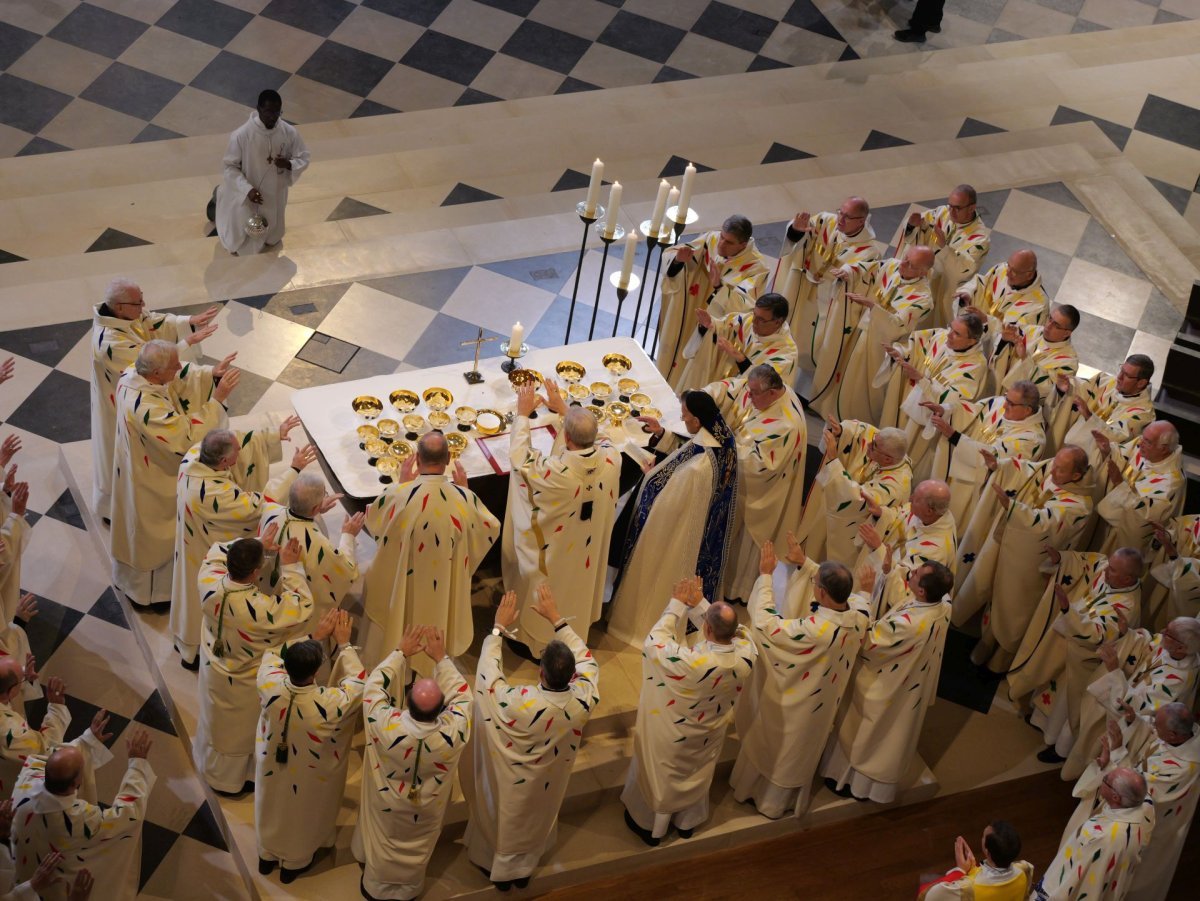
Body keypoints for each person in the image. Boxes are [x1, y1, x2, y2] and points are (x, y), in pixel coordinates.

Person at [466, 586, 598, 890]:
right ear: (571, 676)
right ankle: (523, 869)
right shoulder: (583, 700)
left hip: (509, 780)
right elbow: (589, 663)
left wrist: (498, 628)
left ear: (541, 673)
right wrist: (557, 620)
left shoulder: (515, 702)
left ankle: (495, 869)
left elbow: (488, 678)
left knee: (503, 814)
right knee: (535, 815)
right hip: (546, 780)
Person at [731, 541, 869, 819]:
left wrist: (766, 576)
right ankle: (783, 801)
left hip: (795, 701)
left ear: (821, 592)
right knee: (801, 750)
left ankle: (766, 801)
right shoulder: (858, 618)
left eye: (816, 582)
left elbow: (765, 625)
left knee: (780, 747)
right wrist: (806, 564)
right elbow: (861, 599)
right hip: (822, 702)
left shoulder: (815, 630)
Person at [623, 577, 756, 844]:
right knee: (697, 771)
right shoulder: (745, 655)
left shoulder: (691, 663)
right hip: (710, 730)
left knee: (665, 774)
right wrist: (701, 606)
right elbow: (738, 631)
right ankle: (686, 822)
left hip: (675, 732)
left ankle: (653, 828)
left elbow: (654, 644)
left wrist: (677, 604)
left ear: (705, 629)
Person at [172, 423, 312, 668]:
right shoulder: (215, 494)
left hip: (198, 542)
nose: (241, 451)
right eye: (237, 452)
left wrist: (270, 434)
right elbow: (259, 504)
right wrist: (294, 469)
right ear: (225, 462)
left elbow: (235, 439)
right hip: (208, 544)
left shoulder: (194, 456)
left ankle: (191, 645)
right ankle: (196, 651)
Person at [109, 340, 238, 608]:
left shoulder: (136, 373)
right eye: (173, 365)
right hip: (153, 477)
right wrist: (217, 400)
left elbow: (176, 379)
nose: (180, 368)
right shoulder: (144, 406)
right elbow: (184, 436)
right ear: (155, 372)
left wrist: (209, 375)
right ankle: (150, 595)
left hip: (141, 466)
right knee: (155, 536)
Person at [608, 391, 739, 646]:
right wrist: (661, 434)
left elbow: (666, 506)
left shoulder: (698, 468)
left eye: (686, 415)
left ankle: (640, 622)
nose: (682, 418)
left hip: (675, 535)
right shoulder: (721, 435)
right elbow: (687, 450)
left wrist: (649, 477)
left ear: (699, 420)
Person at [353, 624, 471, 901]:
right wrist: (441, 659)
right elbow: (465, 697)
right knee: (419, 840)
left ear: (406, 702)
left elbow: (372, 687)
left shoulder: (385, 723)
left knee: (385, 835)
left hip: (387, 804)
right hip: (427, 807)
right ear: (443, 707)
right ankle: (408, 888)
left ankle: (376, 885)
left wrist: (400, 653)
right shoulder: (453, 731)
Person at [820, 561, 953, 803]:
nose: (910, 573)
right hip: (909, 682)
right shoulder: (943, 604)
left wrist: (865, 594)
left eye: (916, 574)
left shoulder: (908, 625)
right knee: (892, 733)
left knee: (867, 732)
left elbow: (867, 641)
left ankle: (849, 780)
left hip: (886, 683)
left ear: (922, 591)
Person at [954, 446, 1094, 675]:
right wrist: (999, 465)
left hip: (1034, 564)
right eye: (1054, 464)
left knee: (1014, 609)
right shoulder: (1055, 469)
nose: (1051, 471)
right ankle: (985, 641)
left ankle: (1000, 659)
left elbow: (1047, 523)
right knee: (996, 593)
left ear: (1076, 475)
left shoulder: (1079, 506)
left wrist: (1013, 508)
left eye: (1059, 469)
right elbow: (1029, 469)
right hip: (1014, 547)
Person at [503, 383, 620, 657]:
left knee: (548, 585)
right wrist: (565, 411)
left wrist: (522, 415)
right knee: (575, 591)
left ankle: (537, 642)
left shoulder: (557, 474)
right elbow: (604, 438)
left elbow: (520, 461)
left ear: (566, 438)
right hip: (584, 554)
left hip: (556, 555)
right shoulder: (613, 460)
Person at [362, 432, 498, 666]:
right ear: (447, 460)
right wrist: (467, 495)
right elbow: (490, 527)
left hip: (406, 581)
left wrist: (402, 486)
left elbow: (374, 520)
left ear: (417, 459)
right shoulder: (463, 500)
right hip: (441, 585)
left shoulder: (397, 494)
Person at [194, 530, 314, 793]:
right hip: (244, 681)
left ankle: (214, 768)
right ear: (256, 572)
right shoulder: (261, 609)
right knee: (240, 732)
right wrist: (292, 566)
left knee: (217, 723)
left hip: (214, 669)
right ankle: (235, 780)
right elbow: (302, 606)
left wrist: (255, 544)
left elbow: (216, 549)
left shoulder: (208, 580)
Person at [90, 278, 218, 521]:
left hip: (133, 400)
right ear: (119, 307)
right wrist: (186, 343)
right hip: (117, 406)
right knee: (123, 460)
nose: (143, 306)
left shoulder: (126, 314)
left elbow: (150, 321)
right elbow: (149, 364)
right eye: (138, 303)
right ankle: (113, 508)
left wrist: (186, 322)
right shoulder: (109, 342)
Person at [255, 610, 364, 884]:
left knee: (272, 802)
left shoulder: (269, 682)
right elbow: (359, 683)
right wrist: (344, 644)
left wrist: (313, 637)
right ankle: (295, 861)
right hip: (307, 774)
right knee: (300, 810)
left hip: (270, 764)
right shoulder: (328, 703)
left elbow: (272, 655)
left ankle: (266, 855)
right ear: (317, 672)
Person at [1010, 547, 1144, 763]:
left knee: (1069, 702)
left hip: (1088, 661)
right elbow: (1090, 562)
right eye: (1110, 565)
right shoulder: (1109, 573)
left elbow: (1097, 634)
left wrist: (1067, 611)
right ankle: (1041, 722)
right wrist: (1061, 558)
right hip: (1072, 642)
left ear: (1128, 578)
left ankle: (1060, 748)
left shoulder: (1126, 606)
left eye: (1113, 569)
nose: (1106, 571)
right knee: (1055, 687)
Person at [11, 729, 155, 901]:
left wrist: (88, 739)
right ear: (76, 783)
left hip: (21, 870)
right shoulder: (78, 819)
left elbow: (53, 755)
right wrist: (137, 765)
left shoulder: (28, 776)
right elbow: (127, 815)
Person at [707, 364, 808, 603]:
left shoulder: (786, 426)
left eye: (753, 394)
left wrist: (725, 446)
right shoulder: (778, 395)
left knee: (742, 549)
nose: (748, 397)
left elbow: (761, 466)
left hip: (762, 495)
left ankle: (734, 591)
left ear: (772, 392)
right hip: (752, 486)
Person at [1062, 616, 1200, 781]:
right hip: (1120, 693)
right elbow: (1148, 643)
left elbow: (1140, 707)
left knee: (1097, 748)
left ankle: (1092, 784)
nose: (1162, 632)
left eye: (1168, 634)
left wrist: (1114, 670)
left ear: (1181, 648)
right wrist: (1127, 634)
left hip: (1129, 723)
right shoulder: (1172, 649)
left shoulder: (1177, 679)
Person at [1083, 704, 1198, 901]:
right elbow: (1154, 734)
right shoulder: (1185, 735)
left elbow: (1139, 789)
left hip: (1154, 822)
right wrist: (1133, 720)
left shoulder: (1182, 768)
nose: (1153, 725)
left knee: (1137, 875)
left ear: (1173, 735)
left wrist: (1118, 751)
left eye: (1157, 724)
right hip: (1134, 807)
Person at [813, 245, 935, 423]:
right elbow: (864, 268)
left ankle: (851, 421)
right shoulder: (892, 265)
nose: (904, 264)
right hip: (859, 329)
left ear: (924, 272)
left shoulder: (923, 298)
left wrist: (872, 307)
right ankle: (827, 408)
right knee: (842, 366)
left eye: (912, 265)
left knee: (858, 382)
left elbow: (899, 325)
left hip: (879, 343)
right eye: (906, 258)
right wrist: (848, 272)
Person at [656, 214, 770, 388]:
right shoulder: (711, 239)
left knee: (695, 376)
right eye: (722, 237)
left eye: (729, 242)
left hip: (716, 326)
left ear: (743, 244)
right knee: (673, 355)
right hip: (689, 315)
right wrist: (678, 260)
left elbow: (747, 306)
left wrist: (719, 287)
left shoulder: (757, 268)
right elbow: (673, 254)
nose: (721, 244)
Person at [876, 309, 989, 478]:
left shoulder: (976, 365)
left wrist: (922, 380)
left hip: (928, 420)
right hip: (910, 400)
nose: (949, 335)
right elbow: (915, 346)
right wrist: (901, 354)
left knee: (910, 461)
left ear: (972, 340)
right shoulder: (941, 336)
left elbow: (954, 401)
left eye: (957, 334)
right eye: (951, 328)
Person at [922, 380, 1046, 526]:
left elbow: (995, 459)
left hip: (976, 487)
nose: (1004, 405)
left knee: (956, 522)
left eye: (1011, 404)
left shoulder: (1033, 439)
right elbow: (971, 411)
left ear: (1027, 410)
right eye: (1006, 398)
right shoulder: (998, 403)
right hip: (956, 469)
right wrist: (946, 410)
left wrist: (954, 436)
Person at [776, 197, 881, 367]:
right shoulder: (825, 221)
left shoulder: (869, 251)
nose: (841, 219)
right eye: (841, 212)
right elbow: (798, 231)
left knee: (816, 341)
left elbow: (866, 279)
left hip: (830, 301)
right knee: (793, 325)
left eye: (848, 217)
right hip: (803, 287)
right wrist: (796, 230)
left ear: (861, 221)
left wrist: (850, 274)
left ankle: (808, 375)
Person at [795, 420, 912, 565]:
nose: (869, 444)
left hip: (855, 531)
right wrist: (842, 432)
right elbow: (864, 431)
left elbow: (856, 499)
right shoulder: (894, 454)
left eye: (874, 446)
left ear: (888, 459)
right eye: (874, 440)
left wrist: (833, 461)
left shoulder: (895, 486)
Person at [1032, 767, 1153, 901]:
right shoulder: (1146, 806)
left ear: (1115, 797)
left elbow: (1077, 877)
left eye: (1106, 780)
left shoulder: (1103, 838)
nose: (1103, 779)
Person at [258, 473, 364, 622]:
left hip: (266, 592)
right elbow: (346, 570)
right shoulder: (317, 543)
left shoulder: (269, 510)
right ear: (315, 508)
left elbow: (296, 517)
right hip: (297, 608)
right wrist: (348, 535)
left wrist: (316, 511)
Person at [215, 89, 309, 256]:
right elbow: (230, 167)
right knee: (236, 243)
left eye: (277, 112)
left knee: (273, 237)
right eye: (268, 112)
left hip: (275, 191)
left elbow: (304, 156)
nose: (273, 117)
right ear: (258, 109)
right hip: (249, 191)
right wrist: (247, 189)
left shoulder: (288, 132)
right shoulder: (241, 135)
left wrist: (288, 164)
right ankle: (216, 198)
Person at [858, 479, 957, 617]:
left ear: (929, 510)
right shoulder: (935, 515)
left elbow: (907, 593)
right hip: (897, 558)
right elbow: (902, 517)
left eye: (916, 499)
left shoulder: (935, 550)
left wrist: (878, 549)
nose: (910, 500)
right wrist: (882, 513)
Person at [675, 292, 797, 393]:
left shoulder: (786, 353)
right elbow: (722, 326)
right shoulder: (747, 320)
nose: (754, 321)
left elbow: (767, 385)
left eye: (761, 319)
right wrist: (709, 325)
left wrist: (739, 357)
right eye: (754, 314)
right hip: (721, 388)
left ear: (778, 322)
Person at [903, 185, 990, 326]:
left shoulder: (980, 239)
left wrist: (944, 248)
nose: (952, 212)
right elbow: (919, 227)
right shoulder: (942, 213)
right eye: (950, 206)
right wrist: (912, 226)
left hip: (946, 288)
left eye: (958, 208)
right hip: (926, 279)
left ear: (972, 208)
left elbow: (964, 270)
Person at [1093, 421, 1184, 556]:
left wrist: (1119, 484)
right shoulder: (1143, 445)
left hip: (1123, 535)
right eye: (1143, 437)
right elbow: (1120, 454)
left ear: (1164, 448)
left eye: (1147, 441)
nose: (1140, 443)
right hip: (1108, 519)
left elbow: (1145, 517)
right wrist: (1107, 449)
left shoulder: (1171, 482)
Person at [1050, 354, 1156, 456]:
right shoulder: (1106, 382)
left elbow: (1118, 438)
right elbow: (1080, 387)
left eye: (1127, 375)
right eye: (1121, 370)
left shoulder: (1143, 414)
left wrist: (1089, 416)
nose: (1119, 377)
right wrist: (1066, 388)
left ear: (1141, 383)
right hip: (1067, 444)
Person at [952, 249, 1048, 359]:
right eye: (1009, 266)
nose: (1007, 273)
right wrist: (968, 292)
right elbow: (981, 282)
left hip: (993, 355)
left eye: (1014, 271)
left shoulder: (1038, 305)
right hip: (970, 337)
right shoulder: (1001, 269)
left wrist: (987, 321)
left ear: (1029, 275)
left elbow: (1019, 336)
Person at [990, 303, 1080, 409]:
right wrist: (1004, 340)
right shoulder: (1031, 331)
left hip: (1022, 408)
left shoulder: (1069, 362)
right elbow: (1000, 349)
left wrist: (1025, 358)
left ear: (1067, 333)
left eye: (1056, 325)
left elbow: (1049, 391)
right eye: (1050, 319)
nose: (1048, 326)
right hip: (998, 392)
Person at [918, 820, 1032, 901]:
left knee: (926, 878)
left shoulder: (968, 888)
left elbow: (926, 895)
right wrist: (973, 870)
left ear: (987, 851)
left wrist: (959, 871)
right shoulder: (1025, 869)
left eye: (983, 836)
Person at [1148, 516, 1200, 623]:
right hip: (1165, 583)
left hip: (1183, 599)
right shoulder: (1190, 520)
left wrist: (1175, 557)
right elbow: (1174, 534)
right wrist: (1164, 535)